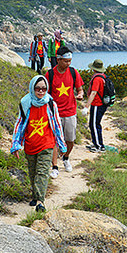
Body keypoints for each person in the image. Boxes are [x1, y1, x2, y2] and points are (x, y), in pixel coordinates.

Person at [10, 75, 67, 212]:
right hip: (30, 145)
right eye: (37, 88)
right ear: (32, 89)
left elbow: (57, 124)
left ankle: (40, 202)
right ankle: (35, 196)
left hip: (47, 144)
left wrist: (61, 144)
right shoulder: (25, 103)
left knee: (42, 172)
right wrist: (16, 145)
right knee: (33, 172)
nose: (41, 91)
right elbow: (19, 124)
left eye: (44, 88)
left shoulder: (50, 104)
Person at [45, 46, 83, 175]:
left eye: (70, 61)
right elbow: (45, 94)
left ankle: (66, 158)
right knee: (55, 140)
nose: (68, 63)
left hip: (70, 111)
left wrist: (80, 94)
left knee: (70, 140)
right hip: (55, 113)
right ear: (59, 59)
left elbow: (80, 88)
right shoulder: (50, 74)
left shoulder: (73, 72)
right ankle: (55, 167)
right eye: (66, 61)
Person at [84, 58, 108, 152]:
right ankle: (97, 143)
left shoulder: (97, 79)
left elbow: (93, 93)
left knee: (94, 125)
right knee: (95, 124)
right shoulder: (103, 76)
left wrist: (86, 107)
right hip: (102, 104)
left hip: (97, 104)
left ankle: (99, 146)